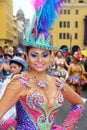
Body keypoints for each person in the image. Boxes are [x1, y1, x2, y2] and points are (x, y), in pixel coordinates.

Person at [0, 1, 85, 130]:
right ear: (27, 57)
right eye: (34, 55)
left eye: (45, 55)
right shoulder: (19, 83)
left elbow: (79, 103)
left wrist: (66, 127)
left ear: (51, 57)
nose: (40, 59)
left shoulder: (58, 83)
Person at [0, 56, 27, 129]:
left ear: (20, 67)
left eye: (14, 67)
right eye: (11, 67)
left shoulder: (23, 80)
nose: (12, 69)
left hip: (14, 108)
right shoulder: (8, 78)